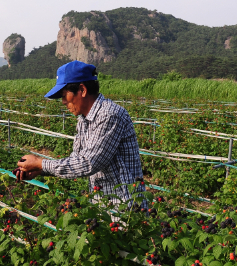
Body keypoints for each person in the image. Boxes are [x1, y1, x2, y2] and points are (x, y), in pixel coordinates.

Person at [16, 60, 146, 208]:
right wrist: (39, 170)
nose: (63, 102)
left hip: (125, 207)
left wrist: (41, 163)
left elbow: (88, 164)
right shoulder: (83, 119)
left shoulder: (109, 114)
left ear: (82, 90)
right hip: (103, 203)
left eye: (65, 95)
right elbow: (76, 160)